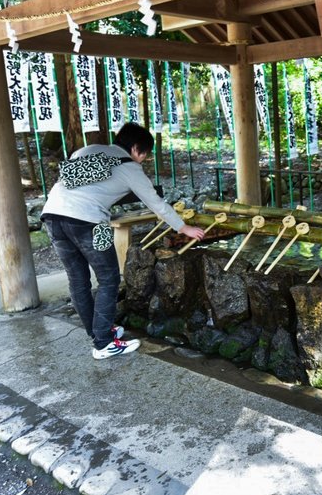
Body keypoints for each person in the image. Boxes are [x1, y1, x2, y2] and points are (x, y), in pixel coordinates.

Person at [42, 122, 205, 360]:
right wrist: (184, 227)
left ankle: (97, 332)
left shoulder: (86, 150)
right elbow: (157, 204)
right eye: (145, 155)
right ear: (137, 148)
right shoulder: (130, 167)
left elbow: (76, 185)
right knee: (109, 278)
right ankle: (104, 344)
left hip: (52, 217)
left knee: (78, 279)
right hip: (90, 222)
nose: (143, 160)